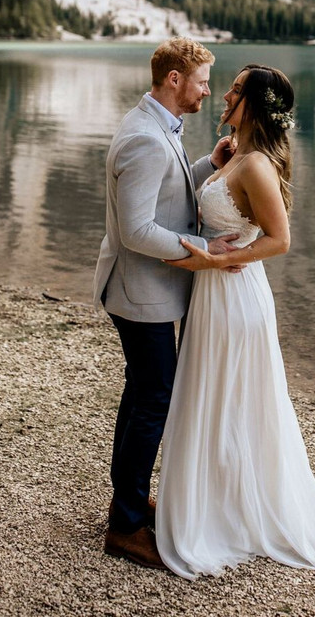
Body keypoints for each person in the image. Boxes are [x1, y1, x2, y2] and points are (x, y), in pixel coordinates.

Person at [154, 64, 315, 605]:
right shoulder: (237, 156)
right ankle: (217, 503)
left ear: (256, 104)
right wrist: (216, 170)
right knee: (213, 399)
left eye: (236, 90)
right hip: (216, 295)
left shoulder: (259, 164)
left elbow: (281, 238)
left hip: (235, 296)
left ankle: (228, 513)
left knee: (232, 402)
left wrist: (225, 260)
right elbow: (223, 212)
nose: (224, 94)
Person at [93, 37, 238, 570]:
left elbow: (165, 196)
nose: (207, 90)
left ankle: (127, 501)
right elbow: (136, 230)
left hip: (145, 288)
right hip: (140, 291)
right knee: (153, 398)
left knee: (143, 395)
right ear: (174, 79)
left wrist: (205, 165)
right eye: (201, 80)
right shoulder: (144, 138)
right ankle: (126, 525)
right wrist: (204, 251)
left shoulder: (156, 126)